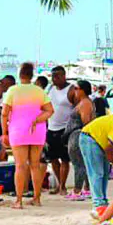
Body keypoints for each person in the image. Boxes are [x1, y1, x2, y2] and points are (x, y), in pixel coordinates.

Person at [2, 62, 54, 210]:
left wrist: (4, 132)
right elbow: (50, 110)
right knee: (35, 165)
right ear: (32, 75)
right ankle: (37, 198)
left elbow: (4, 113)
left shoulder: (13, 90)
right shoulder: (39, 91)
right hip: (37, 130)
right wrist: (38, 119)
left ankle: (19, 201)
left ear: (20, 74)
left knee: (20, 165)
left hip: (18, 130)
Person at [77, 113, 113, 216]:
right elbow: (109, 151)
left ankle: (103, 202)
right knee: (97, 173)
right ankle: (98, 204)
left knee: (105, 173)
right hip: (90, 138)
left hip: (100, 141)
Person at [45, 66, 76, 195]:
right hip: (51, 127)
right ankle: (59, 184)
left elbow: (77, 108)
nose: (54, 79)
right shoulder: (50, 89)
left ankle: (63, 186)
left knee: (64, 159)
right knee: (53, 158)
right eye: (53, 76)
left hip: (65, 129)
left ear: (64, 76)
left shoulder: (71, 89)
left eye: (57, 76)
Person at [66, 81, 96, 200]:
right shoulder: (84, 102)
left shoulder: (85, 103)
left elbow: (86, 122)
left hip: (78, 134)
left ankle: (77, 191)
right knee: (82, 163)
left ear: (82, 90)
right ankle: (86, 189)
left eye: (76, 88)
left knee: (79, 164)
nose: (74, 91)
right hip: (77, 134)